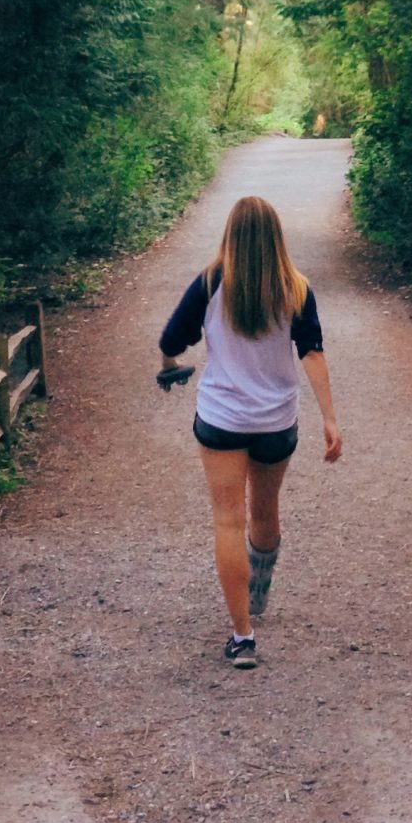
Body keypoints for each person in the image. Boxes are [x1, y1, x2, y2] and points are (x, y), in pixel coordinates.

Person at [157, 195, 342, 669]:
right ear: (276, 235)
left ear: (231, 235)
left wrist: (170, 365)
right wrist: (329, 418)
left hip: (222, 420)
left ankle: (242, 635)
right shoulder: (296, 288)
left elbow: (172, 339)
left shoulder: (211, 282)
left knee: (227, 521)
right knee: (265, 511)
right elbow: (313, 353)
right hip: (276, 421)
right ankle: (258, 588)